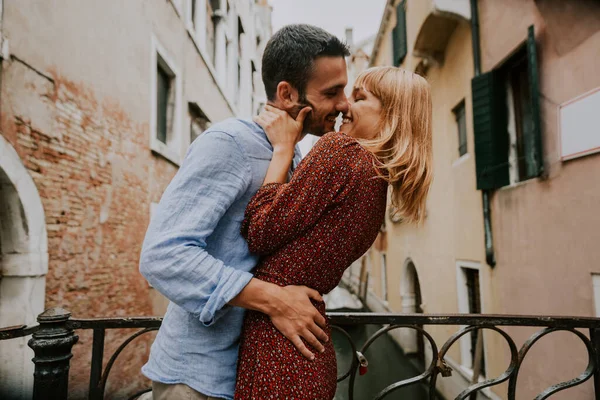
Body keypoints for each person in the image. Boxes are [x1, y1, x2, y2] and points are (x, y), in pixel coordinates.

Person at [139, 24, 351, 400]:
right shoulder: (229, 144)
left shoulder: (297, 157)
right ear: (286, 93)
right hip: (196, 380)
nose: (344, 104)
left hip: (255, 375)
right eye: (331, 92)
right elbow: (163, 255)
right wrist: (275, 299)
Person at [234, 66, 433, 399]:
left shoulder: (340, 151)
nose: (344, 107)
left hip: (278, 350)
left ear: (391, 116)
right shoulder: (376, 184)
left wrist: (283, 149)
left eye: (359, 97)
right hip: (309, 351)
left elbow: (259, 230)